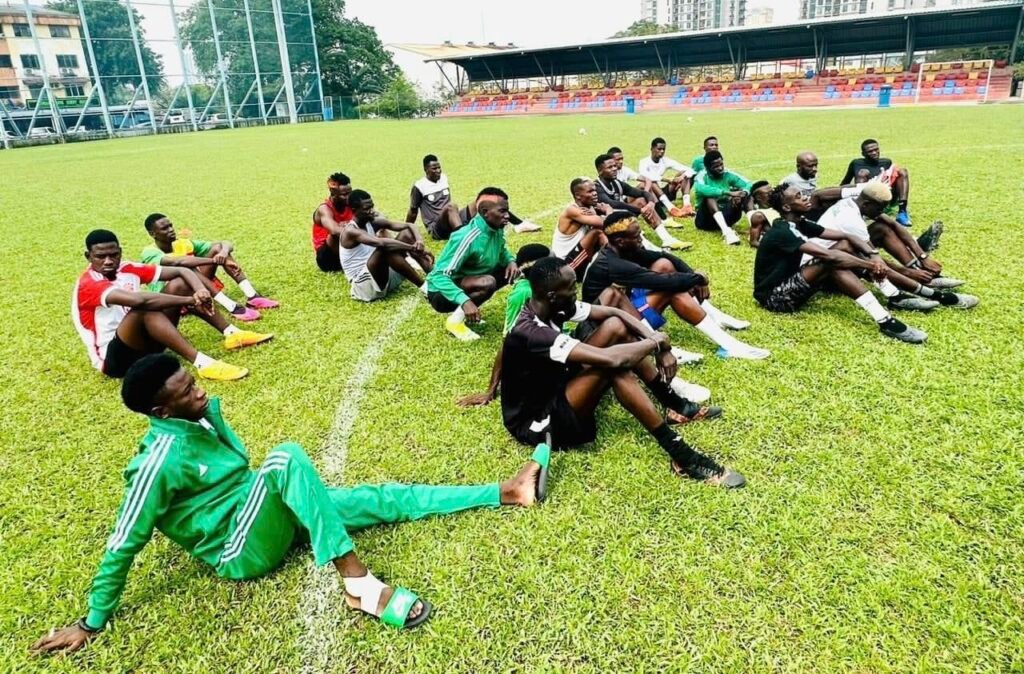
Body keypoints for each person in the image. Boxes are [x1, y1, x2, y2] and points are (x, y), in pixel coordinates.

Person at [30, 354, 550, 652]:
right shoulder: (158, 459)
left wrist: (208, 412)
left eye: (193, 380)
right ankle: (358, 583)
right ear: (157, 409)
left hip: (265, 514)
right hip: (240, 551)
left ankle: (506, 492)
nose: (198, 390)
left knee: (380, 498)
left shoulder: (200, 414)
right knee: (285, 458)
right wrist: (92, 622)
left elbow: (235, 469)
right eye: (186, 391)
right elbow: (123, 542)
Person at [500, 256, 745, 487]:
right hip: (536, 421)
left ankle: (676, 407)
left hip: (557, 383)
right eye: (572, 287)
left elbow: (615, 312)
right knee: (615, 366)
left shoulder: (554, 306)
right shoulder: (532, 331)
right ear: (553, 295)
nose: (576, 290)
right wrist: (657, 343)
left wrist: (653, 338)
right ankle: (682, 455)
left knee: (617, 328)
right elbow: (611, 358)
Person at [458, 243, 712, 409]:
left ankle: (669, 391)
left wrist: (657, 343)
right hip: (560, 355)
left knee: (614, 303)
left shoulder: (558, 301)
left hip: (568, 343)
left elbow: (611, 309)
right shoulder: (524, 300)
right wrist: (490, 389)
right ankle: (671, 399)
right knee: (617, 355)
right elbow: (509, 343)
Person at [72, 230, 271, 381]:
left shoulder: (127, 267)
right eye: (100, 257)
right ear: (88, 256)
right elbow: (140, 301)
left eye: (113, 255)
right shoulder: (88, 283)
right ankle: (204, 363)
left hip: (148, 346)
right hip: (116, 361)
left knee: (180, 284)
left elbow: (180, 270)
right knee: (144, 308)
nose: (108, 261)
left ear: (120, 252)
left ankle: (232, 333)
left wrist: (199, 291)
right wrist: (190, 300)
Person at [752, 185, 929, 343]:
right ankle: (885, 320)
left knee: (844, 246)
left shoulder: (800, 222)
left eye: (803, 193)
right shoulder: (783, 231)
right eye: (799, 196)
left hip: (792, 283)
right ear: (787, 207)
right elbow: (829, 256)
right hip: (775, 299)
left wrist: (873, 255)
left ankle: (892, 295)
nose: (806, 197)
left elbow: (847, 237)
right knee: (830, 262)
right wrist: (870, 266)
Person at [582, 213, 770, 360]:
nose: (641, 239)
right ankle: (729, 344)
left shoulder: (624, 249)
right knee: (673, 289)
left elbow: (666, 257)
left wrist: (693, 274)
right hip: (610, 328)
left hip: (625, 310)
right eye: (636, 236)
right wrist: (697, 278)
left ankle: (721, 328)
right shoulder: (613, 264)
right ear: (620, 240)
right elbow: (665, 282)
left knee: (664, 264)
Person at [810, 183, 976, 309]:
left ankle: (921, 272)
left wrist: (922, 257)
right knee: (858, 253)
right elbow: (873, 258)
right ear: (868, 204)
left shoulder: (855, 201)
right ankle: (927, 292)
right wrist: (907, 273)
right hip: (826, 272)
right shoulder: (850, 219)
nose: (883, 212)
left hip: (842, 256)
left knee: (882, 228)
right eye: (880, 208)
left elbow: (896, 226)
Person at [141, 214, 278, 322]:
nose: (171, 230)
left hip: (197, 291)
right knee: (187, 269)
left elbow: (224, 243)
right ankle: (232, 306)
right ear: (153, 234)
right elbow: (178, 262)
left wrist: (223, 253)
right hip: (173, 299)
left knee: (218, 249)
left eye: (171, 226)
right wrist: (214, 260)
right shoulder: (149, 252)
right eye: (165, 229)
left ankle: (252, 296)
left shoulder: (183, 243)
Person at [425, 196, 518, 341]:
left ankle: (466, 314)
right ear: (485, 212)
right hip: (440, 294)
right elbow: (437, 276)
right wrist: (464, 301)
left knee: (518, 265)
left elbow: (501, 250)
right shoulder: (467, 237)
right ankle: (455, 321)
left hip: (467, 280)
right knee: (487, 283)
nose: (507, 216)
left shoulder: (496, 228)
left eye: (507, 211)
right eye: (502, 211)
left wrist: (511, 261)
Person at [340, 189, 435, 302]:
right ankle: (425, 288)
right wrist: (413, 248)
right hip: (364, 286)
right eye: (367, 209)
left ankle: (435, 275)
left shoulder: (372, 222)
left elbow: (409, 225)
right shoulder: (350, 231)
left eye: (372, 207)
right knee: (385, 248)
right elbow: (381, 243)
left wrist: (419, 241)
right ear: (354, 210)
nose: (371, 211)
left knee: (406, 234)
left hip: (382, 275)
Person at [594, 153, 690, 250]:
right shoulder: (596, 187)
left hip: (621, 215)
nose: (615, 168)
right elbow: (613, 204)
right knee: (629, 212)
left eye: (615, 166)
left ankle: (667, 239)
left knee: (641, 201)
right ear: (600, 171)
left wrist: (651, 204)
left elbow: (644, 193)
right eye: (610, 167)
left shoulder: (617, 183)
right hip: (606, 222)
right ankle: (647, 246)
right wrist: (640, 210)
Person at [840, 139, 913, 226]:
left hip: (886, 195)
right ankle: (860, 211)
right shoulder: (856, 163)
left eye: (876, 150)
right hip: (868, 198)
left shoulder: (886, 162)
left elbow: (892, 179)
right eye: (870, 151)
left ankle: (902, 212)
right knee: (863, 172)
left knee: (902, 171)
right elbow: (845, 182)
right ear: (863, 154)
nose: (874, 153)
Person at [553, 178, 611, 280]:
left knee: (604, 231)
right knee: (597, 232)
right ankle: (615, 265)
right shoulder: (572, 211)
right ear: (577, 195)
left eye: (594, 190)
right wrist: (609, 211)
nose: (595, 193)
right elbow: (606, 222)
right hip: (566, 266)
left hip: (580, 257)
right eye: (590, 191)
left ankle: (616, 262)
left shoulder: (589, 207)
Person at [693, 150, 753, 245]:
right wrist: (729, 193)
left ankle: (755, 228)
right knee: (710, 197)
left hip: (727, 216)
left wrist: (743, 193)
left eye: (721, 164)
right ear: (707, 167)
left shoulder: (728, 174)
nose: (720, 168)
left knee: (747, 195)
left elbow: (749, 184)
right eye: (716, 166)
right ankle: (727, 232)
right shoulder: (701, 176)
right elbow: (702, 189)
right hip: (705, 220)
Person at [407, 154, 462, 240]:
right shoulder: (419, 186)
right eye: (434, 169)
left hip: (451, 220)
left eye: (439, 168)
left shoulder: (444, 178)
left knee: (478, 203)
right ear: (426, 169)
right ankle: (462, 237)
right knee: (451, 206)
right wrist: (407, 228)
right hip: (436, 228)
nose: (438, 171)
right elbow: (413, 211)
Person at [637, 138, 696, 217]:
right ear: (652, 149)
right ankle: (671, 208)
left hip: (663, 192)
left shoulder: (665, 161)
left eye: (663, 149)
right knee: (651, 181)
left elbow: (691, 170)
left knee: (684, 173)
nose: (662, 151)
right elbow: (645, 175)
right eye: (659, 149)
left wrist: (682, 176)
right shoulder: (644, 162)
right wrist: (667, 180)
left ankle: (687, 206)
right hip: (651, 196)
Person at [312, 172, 354, 273]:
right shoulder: (324, 209)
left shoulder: (351, 204)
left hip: (347, 249)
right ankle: (349, 262)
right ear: (333, 192)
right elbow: (335, 231)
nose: (349, 197)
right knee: (336, 232)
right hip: (327, 257)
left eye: (350, 193)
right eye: (344, 194)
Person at [459, 186, 542, 234]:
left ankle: (519, 224)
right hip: (456, 224)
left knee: (489, 200)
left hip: (459, 218)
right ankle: (519, 224)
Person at [746, 181, 778, 247]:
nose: (773, 194)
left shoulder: (780, 207)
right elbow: (754, 242)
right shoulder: (758, 215)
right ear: (758, 197)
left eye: (773, 191)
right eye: (769, 193)